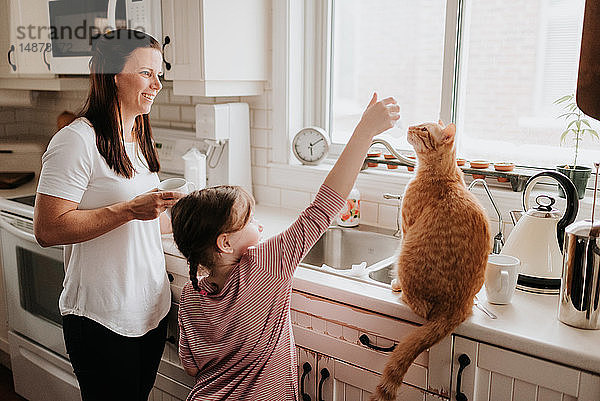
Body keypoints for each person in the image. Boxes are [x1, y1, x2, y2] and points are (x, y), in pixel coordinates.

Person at [171, 93, 400, 400]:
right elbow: (324, 206)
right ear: (225, 243)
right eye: (250, 220)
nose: (260, 226)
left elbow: (190, 367)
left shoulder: (190, 295)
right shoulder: (265, 265)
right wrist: (365, 131)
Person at [33, 29, 183, 401]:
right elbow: (48, 229)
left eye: (159, 74)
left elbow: (145, 224)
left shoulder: (138, 135)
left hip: (149, 310)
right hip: (101, 316)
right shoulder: (76, 140)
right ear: (114, 75)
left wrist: (194, 218)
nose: (157, 85)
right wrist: (130, 208)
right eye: (147, 73)